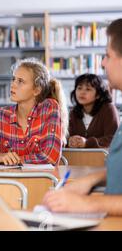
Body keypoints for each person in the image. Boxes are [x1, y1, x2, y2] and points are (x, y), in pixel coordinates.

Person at [42, 19, 122, 216]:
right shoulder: (73, 112)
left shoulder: (107, 109)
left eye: (107, 55)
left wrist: (88, 204)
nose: (103, 62)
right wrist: (93, 179)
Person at [0, 58, 68, 166]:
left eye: (20, 81)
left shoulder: (49, 108)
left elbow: (50, 158)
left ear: (37, 90)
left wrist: (15, 160)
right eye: (13, 79)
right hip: (7, 182)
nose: (13, 85)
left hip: (41, 182)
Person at [68, 73, 119, 148]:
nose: (82, 92)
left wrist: (87, 143)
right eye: (79, 88)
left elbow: (114, 139)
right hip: (77, 158)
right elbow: (65, 137)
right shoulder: (73, 113)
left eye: (88, 89)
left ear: (98, 94)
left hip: (103, 158)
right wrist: (69, 141)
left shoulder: (108, 109)